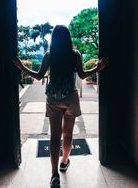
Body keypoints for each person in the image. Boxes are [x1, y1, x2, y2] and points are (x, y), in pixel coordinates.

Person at [13, 25, 108, 188]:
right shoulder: (75, 55)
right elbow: (82, 75)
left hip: (53, 99)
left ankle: (54, 175)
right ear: (68, 38)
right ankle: (64, 161)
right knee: (68, 134)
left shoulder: (49, 55)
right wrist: (98, 68)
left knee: (55, 136)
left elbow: (38, 76)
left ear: (54, 39)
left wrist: (22, 66)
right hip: (70, 97)